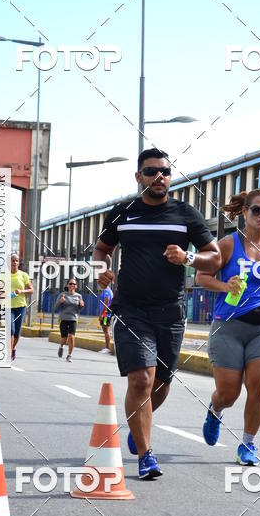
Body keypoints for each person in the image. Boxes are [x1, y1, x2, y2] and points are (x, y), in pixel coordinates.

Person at [94, 148, 221, 480]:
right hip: (130, 309)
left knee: (162, 383)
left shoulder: (185, 214)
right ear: (139, 177)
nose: (159, 177)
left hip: (171, 312)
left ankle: (139, 430)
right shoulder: (123, 213)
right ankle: (146, 454)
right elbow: (102, 249)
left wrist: (187, 258)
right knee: (141, 379)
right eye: (151, 171)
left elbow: (215, 257)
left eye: (165, 171)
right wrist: (100, 269)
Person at [196, 189, 260, 465]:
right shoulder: (226, 245)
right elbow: (202, 276)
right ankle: (216, 410)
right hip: (228, 327)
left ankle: (248, 444)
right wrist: (224, 285)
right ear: (245, 212)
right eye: (257, 210)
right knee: (229, 392)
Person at [10, 253, 33, 361]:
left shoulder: (23, 275)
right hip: (8, 307)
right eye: (13, 260)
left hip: (21, 306)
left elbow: (31, 290)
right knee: (11, 330)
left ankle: (13, 347)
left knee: (17, 332)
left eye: (16, 260)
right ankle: (9, 352)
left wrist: (21, 291)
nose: (14, 262)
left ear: (19, 263)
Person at [56, 279, 84, 362]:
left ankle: (69, 355)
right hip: (63, 318)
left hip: (73, 318)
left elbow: (79, 309)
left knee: (71, 337)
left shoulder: (79, 296)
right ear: (67, 285)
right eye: (70, 283)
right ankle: (61, 347)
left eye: (74, 284)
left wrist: (81, 305)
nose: (72, 285)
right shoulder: (62, 295)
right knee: (64, 337)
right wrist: (60, 302)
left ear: (76, 286)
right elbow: (56, 306)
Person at [98, 283, 113, 353]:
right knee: (105, 329)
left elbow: (106, 303)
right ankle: (107, 347)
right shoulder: (107, 290)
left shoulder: (106, 291)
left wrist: (102, 315)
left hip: (105, 314)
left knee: (106, 329)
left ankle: (107, 348)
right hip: (106, 314)